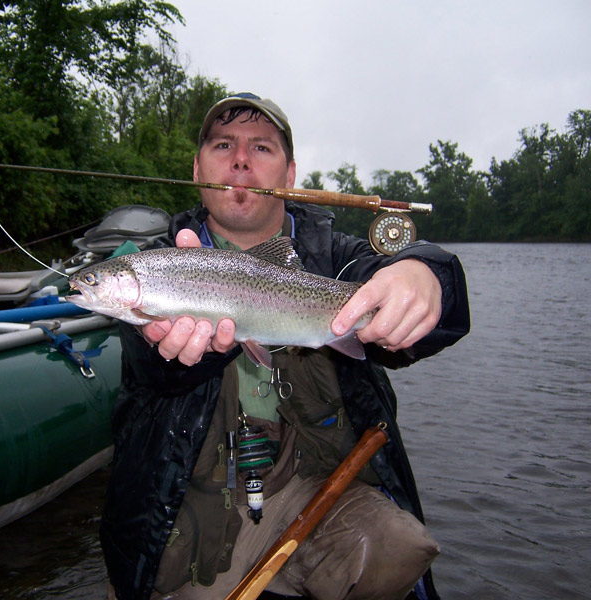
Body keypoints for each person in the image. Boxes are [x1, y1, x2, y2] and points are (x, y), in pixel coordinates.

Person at [101, 92, 470, 600]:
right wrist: (173, 354)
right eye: (223, 144)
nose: (240, 159)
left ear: (290, 173)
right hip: (189, 504)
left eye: (262, 148)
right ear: (196, 167)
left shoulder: (337, 259)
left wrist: (428, 275)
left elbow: (428, 309)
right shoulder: (160, 262)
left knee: (402, 545)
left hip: (318, 491)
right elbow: (150, 368)